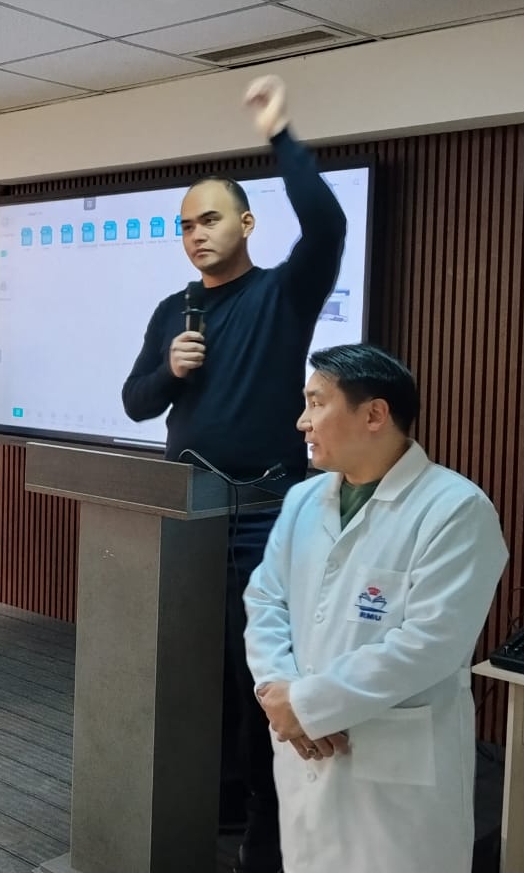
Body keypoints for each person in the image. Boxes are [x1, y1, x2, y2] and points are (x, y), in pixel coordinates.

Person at [121, 75, 345, 873]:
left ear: (246, 224)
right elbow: (136, 403)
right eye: (185, 225)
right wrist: (170, 371)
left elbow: (327, 224)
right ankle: (206, 798)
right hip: (185, 513)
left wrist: (281, 133)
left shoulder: (283, 294)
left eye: (209, 219)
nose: (195, 235)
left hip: (263, 513)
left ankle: (263, 824)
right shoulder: (173, 310)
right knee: (191, 665)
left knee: (259, 669)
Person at [244, 344, 508, 873]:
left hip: (395, 771)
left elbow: (430, 644)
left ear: (374, 414)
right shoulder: (304, 500)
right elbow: (266, 599)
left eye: (317, 403)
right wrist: (279, 691)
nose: (302, 422)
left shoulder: (455, 509)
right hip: (305, 752)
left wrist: (309, 705)